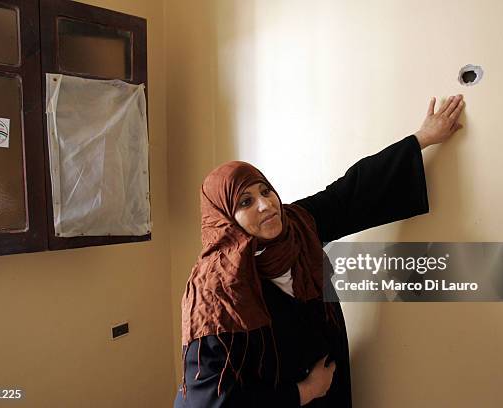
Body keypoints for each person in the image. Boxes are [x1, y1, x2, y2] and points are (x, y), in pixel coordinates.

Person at [174, 95, 466, 407]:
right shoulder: (215, 290)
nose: (266, 205)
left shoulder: (297, 226)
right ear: (225, 219)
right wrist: (303, 392)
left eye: (265, 190)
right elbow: (209, 400)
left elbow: (349, 193)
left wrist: (423, 138)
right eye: (245, 202)